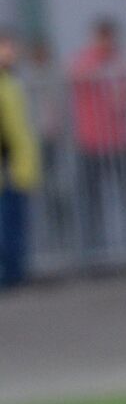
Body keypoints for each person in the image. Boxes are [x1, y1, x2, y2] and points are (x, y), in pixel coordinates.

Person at [69, 18, 126, 254]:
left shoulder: (124, 64)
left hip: (120, 143)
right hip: (90, 144)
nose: (106, 43)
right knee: (90, 204)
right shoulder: (84, 61)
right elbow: (74, 76)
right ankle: (93, 255)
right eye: (102, 38)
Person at [0, 30, 41, 288]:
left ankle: (15, 272)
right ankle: (9, 272)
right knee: (7, 224)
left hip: (18, 166)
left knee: (16, 222)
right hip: (7, 166)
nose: (10, 52)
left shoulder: (12, 82)